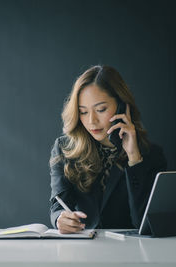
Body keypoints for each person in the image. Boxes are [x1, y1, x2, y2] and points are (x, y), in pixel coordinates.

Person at [49, 65, 167, 234]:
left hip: (130, 253)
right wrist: (60, 218)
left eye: (101, 109)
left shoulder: (151, 154)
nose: (91, 121)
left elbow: (145, 224)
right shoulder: (64, 149)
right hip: (82, 251)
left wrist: (134, 158)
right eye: (83, 112)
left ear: (121, 106)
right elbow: (57, 205)